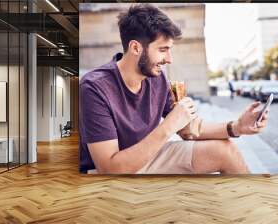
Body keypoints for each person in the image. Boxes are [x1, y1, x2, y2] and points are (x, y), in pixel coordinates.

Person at [79, 4, 268, 175]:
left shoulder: (156, 78)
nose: (169, 59)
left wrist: (237, 127)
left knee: (226, 151)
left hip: (149, 155)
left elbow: (189, 129)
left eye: (170, 50)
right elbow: (109, 168)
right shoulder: (94, 87)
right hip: (111, 168)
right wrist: (169, 125)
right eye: (163, 50)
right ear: (136, 48)